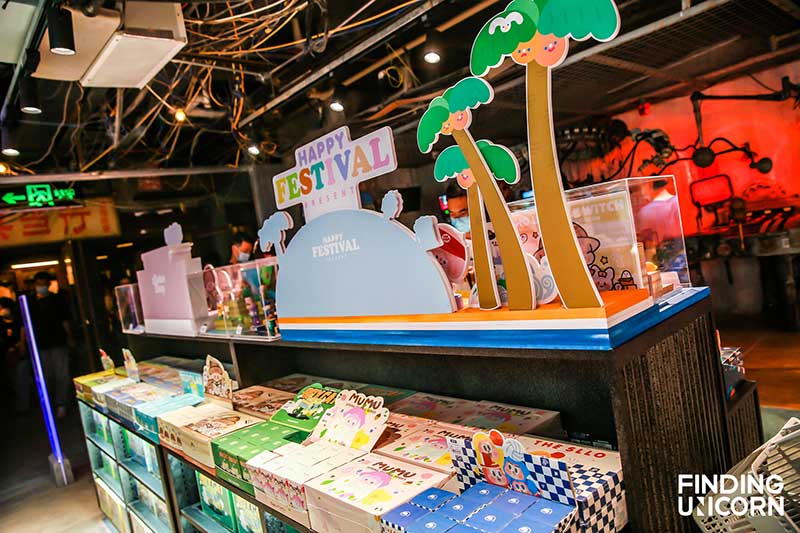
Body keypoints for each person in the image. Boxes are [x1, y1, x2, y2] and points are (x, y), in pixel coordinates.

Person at [29, 272, 73, 419]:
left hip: (57, 341)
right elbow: (25, 325)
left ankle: (61, 404)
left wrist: (69, 338)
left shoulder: (57, 300)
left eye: (43, 284)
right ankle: (48, 404)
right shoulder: (30, 302)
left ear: (48, 285)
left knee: (61, 374)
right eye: (38, 284)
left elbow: (65, 321)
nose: (41, 287)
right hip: (39, 344)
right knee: (45, 376)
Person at [0, 297, 29, 414]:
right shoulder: (1, 323)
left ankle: (23, 406)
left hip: (19, 355)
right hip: (7, 356)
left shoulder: (19, 321)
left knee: (22, 379)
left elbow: (23, 335)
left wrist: (20, 346)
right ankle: (18, 405)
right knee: (13, 381)